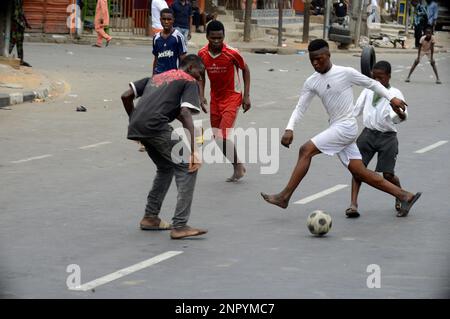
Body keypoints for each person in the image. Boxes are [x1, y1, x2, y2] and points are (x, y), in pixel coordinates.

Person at [261, 39, 421, 218]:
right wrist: (289, 128)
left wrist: (391, 98)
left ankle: (284, 197)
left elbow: (373, 84)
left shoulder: (345, 73)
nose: (315, 63)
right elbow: (300, 107)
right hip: (336, 126)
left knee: (306, 150)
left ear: (329, 55)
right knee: (360, 172)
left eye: (319, 59)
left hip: (346, 126)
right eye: (312, 60)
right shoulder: (311, 82)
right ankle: (405, 195)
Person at [120, 54, 208, 240]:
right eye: (200, 74)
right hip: (156, 127)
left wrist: (135, 121)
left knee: (166, 167)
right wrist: (193, 150)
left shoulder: (158, 77)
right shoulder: (188, 80)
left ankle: (150, 217)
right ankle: (180, 225)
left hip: (138, 126)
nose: (200, 79)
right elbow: (185, 113)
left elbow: (126, 96)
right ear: (191, 67)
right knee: (188, 167)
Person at [346, 61, 408, 218]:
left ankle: (400, 194)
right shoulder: (368, 90)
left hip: (387, 137)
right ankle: (353, 205)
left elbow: (400, 117)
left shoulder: (395, 94)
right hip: (367, 135)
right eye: (374, 77)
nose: (377, 81)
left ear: (388, 77)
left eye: (381, 78)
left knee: (387, 175)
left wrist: (399, 113)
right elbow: (356, 110)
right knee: (357, 169)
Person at [198, 20, 251, 182]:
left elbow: (245, 70)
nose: (216, 41)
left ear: (223, 37)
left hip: (232, 97)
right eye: (213, 38)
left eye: (219, 38)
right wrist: (201, 95)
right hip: (216, 98)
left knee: (222, 136)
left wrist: (246, 95)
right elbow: (201, 75)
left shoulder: (232, 53)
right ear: (207, 37)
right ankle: (238, 165)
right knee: (217, 138)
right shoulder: (202, 54)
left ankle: (237, 168)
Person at [152, 8, 187, 75]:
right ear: (160, 20)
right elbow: (156, 58)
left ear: (173, 20)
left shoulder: (178, 37)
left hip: (173, 76)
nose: (166, 22)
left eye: (169, 19)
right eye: (164, 19)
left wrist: (180, 77)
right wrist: (153, 76)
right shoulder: (156, 38)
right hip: (159, 75)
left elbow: (182, 59)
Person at [9, 0, 32, 67]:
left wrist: (26, 23)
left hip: (20, 26)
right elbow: (15, 16)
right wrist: (22, 24)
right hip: (15, 26)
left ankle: (21, 61)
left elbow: (21, 12)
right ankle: (5, 57)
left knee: (19, 44)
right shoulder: (16, 1)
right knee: (12, 42)